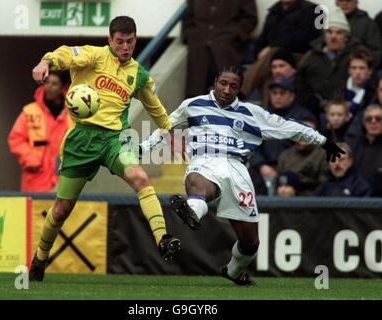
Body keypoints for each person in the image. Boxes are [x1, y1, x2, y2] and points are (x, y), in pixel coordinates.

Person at [141, 66, 344, 285]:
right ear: (215, 81)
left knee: (250, 242)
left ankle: (233, 271)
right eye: (223, 83)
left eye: (233, 86)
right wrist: (143, 149)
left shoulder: (252, 114)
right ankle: (192, 210)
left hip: (237, 170)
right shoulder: (192, 105)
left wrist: (323, 141)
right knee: (199, 185)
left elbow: (288, 127)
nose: (227, 90)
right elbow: (165, 126)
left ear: (239, 88)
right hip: (204, 160)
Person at [29, 16, 181, 281]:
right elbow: (66, 54)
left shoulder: (139, 74)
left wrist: (169, 129)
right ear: (110, 40)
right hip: (81, 140)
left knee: (140, 177)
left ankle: (162, 237)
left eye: (130, 42)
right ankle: (40, 258)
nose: (125, 47)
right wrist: (46, 61)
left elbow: (153, 105)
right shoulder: (94, 56)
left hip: (115, 139)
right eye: (120, 42)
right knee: (62, 210)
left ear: (135, 40)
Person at [8, 71, 72, 192]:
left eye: (54, 83)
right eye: (47, 82)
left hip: (63, 178)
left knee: (60, 210)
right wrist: (31, 160)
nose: (49, 86)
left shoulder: (72, 114)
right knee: (33, 210)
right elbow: (15, 139)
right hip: (36, 177)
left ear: (62, 88)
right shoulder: (30, 111)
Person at [182, 0, 258, 97]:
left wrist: (234, 36)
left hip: (226, 49)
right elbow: (187, 16)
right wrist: (190, 36)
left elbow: (250, 19)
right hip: (199, 50)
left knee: (227, 93)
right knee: (196, 94)